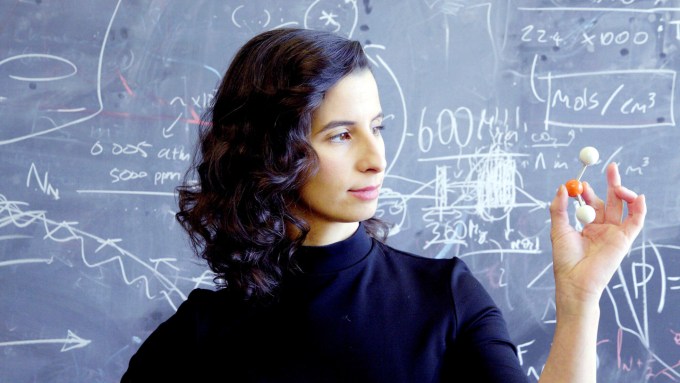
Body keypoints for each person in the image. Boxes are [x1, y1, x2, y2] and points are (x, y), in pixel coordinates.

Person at [120, 28, 646, 382]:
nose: (376, 159)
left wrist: (579, 304)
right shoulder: (199, 335)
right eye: (341, 135)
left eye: (378, 128)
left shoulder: (446, 298)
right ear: (272, 149)